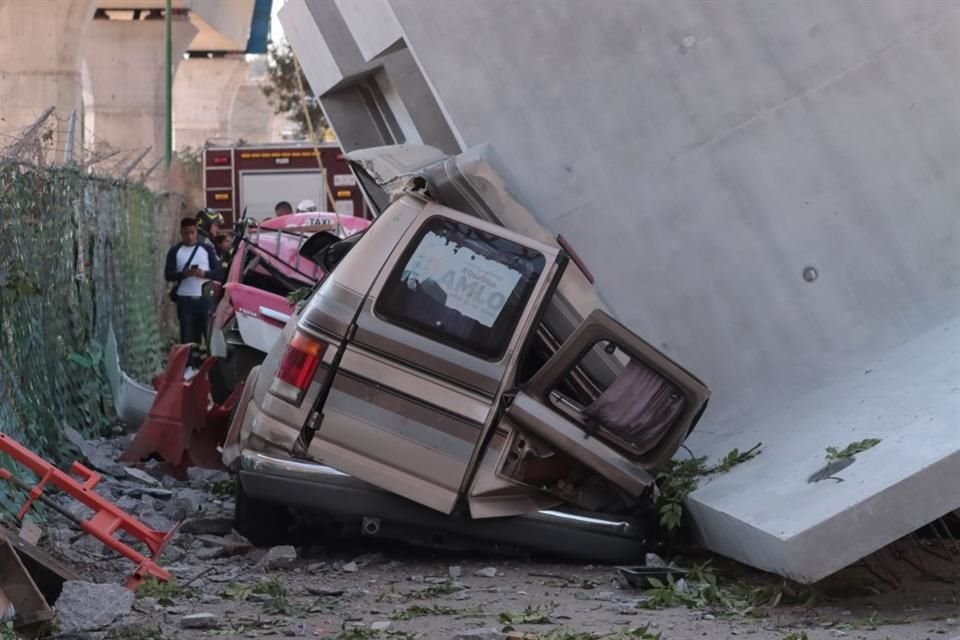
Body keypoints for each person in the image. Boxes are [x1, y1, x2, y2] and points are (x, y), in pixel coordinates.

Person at [165, 217, 223, 350]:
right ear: (181, 233)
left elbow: (218, 273)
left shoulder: (207, 249)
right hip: (185, 298)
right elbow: (168, 275)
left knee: (209, 334)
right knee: (187, 335)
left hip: (206, 295)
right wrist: (183, 274)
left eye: (192, 233)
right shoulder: (175, 251)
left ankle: (211, 366)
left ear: (196, 232)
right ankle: (189, 366)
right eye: (186, 233)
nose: (190, 236)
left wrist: (205, 274)